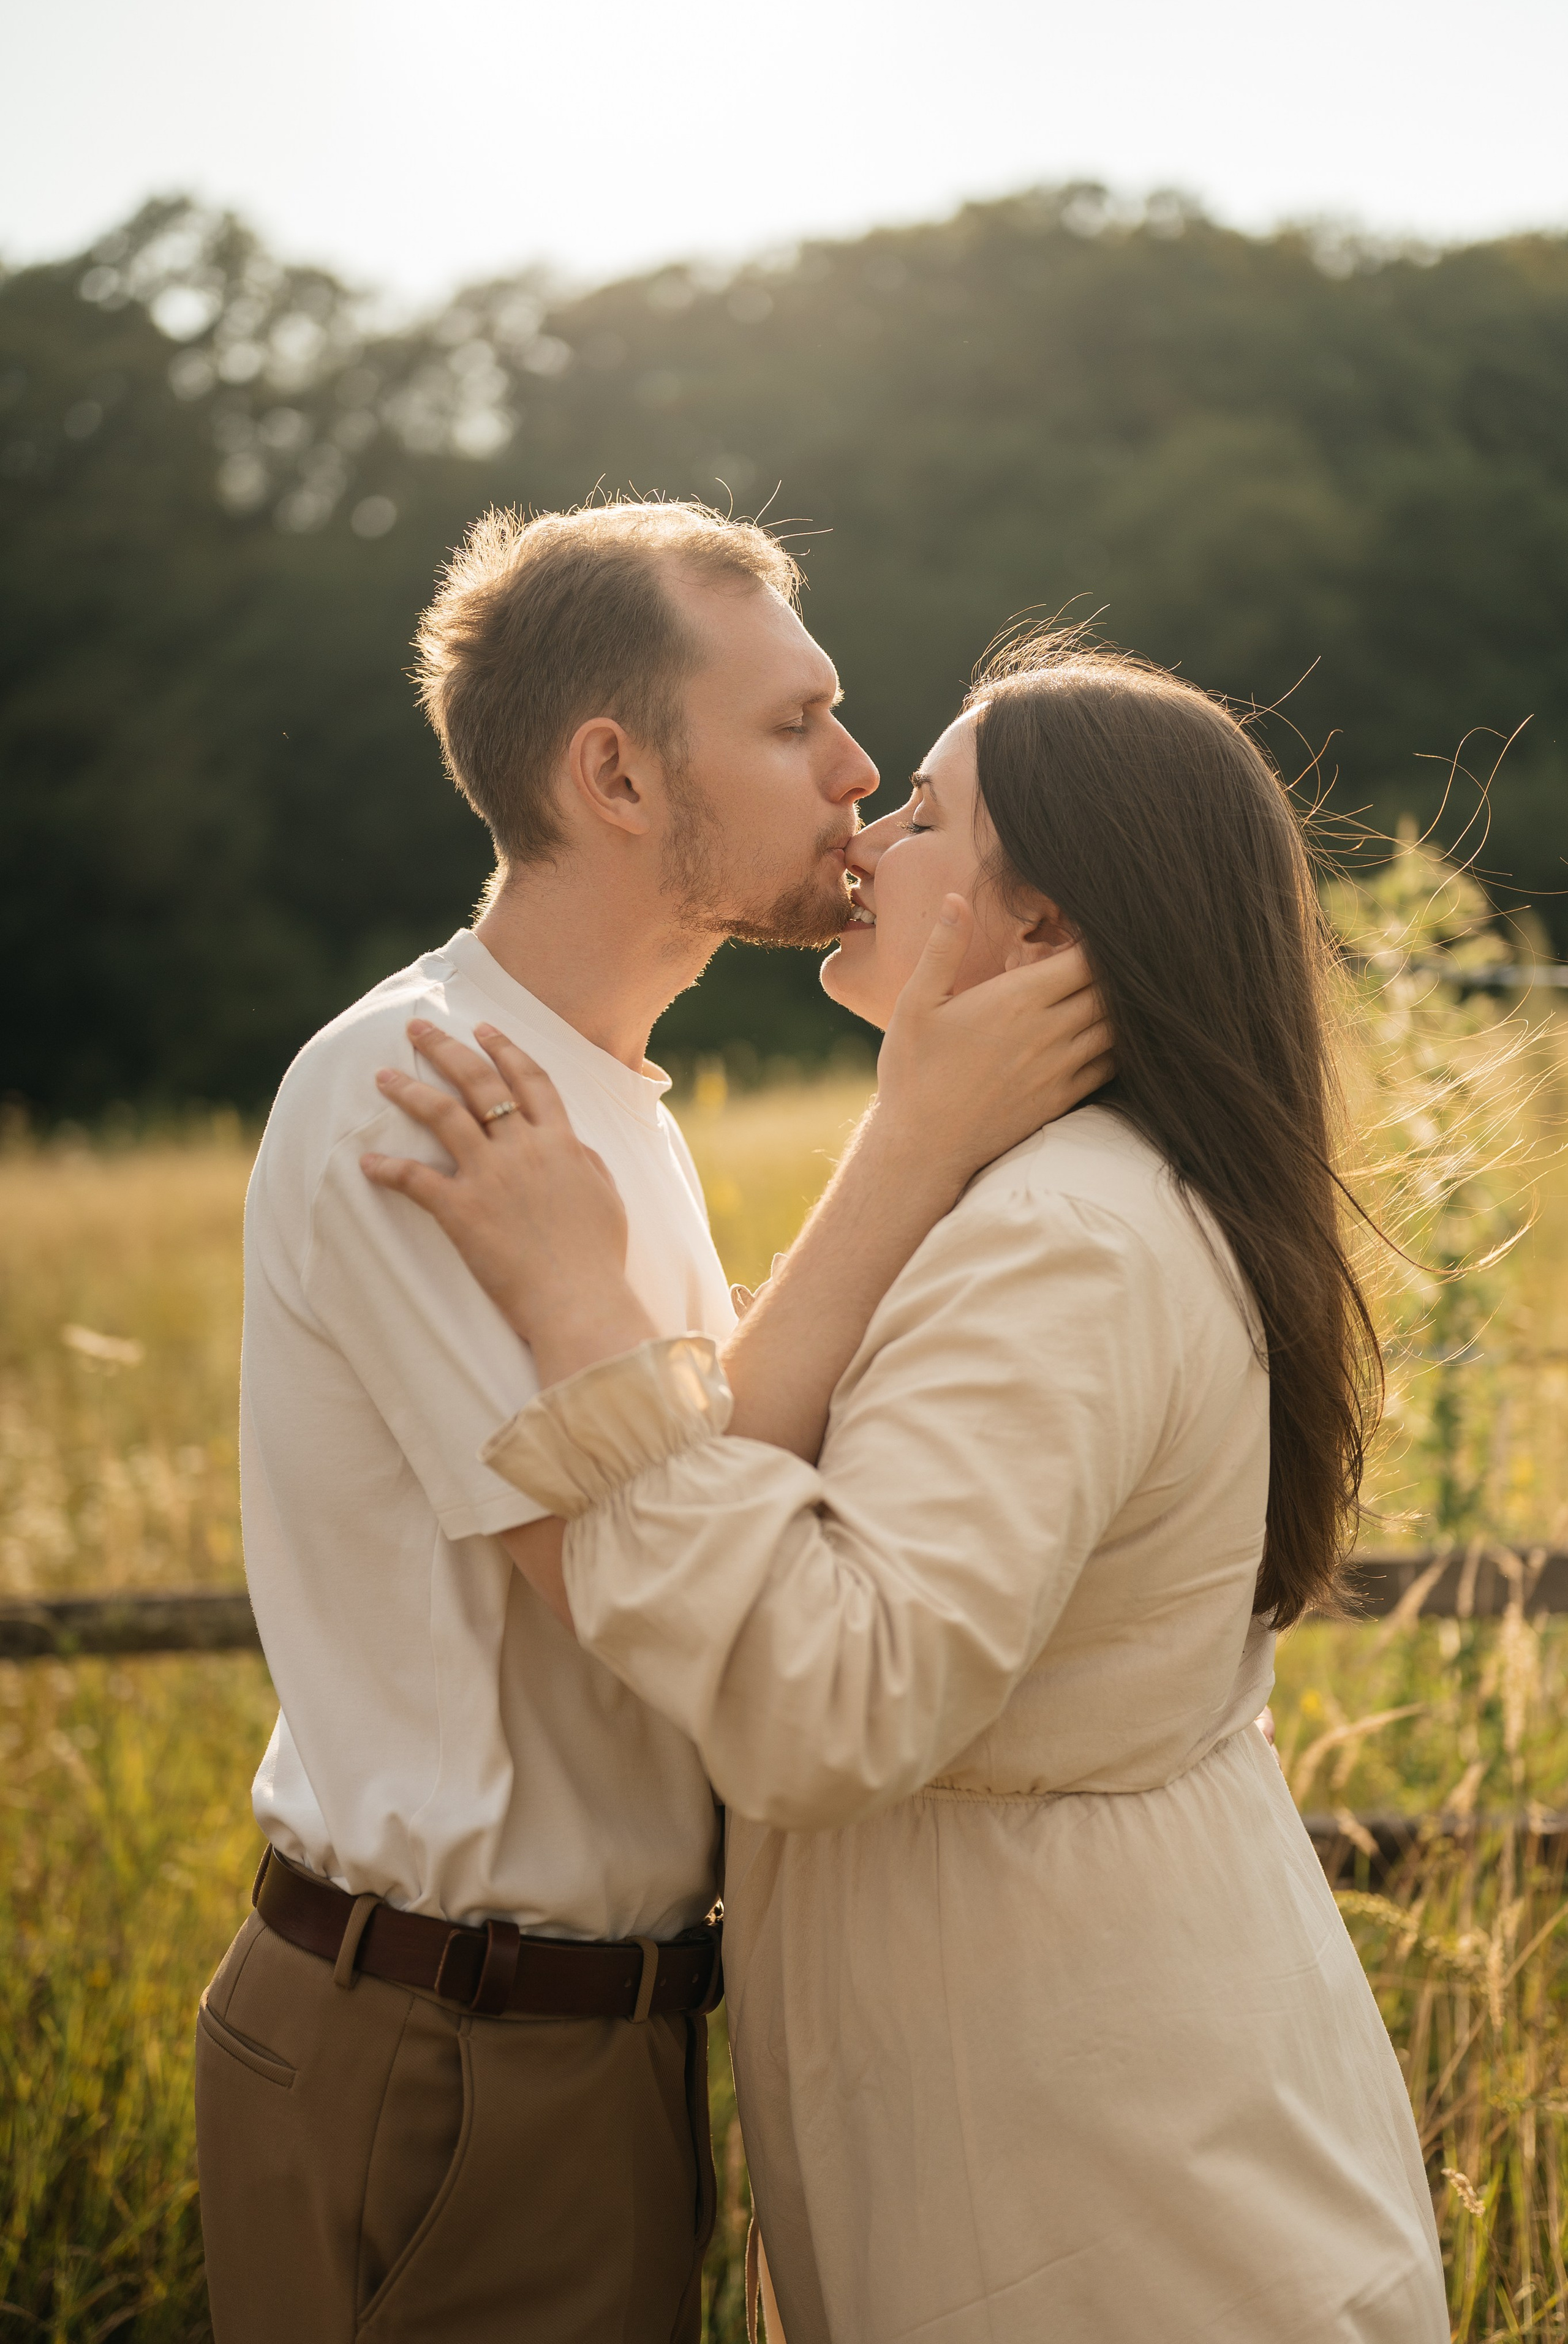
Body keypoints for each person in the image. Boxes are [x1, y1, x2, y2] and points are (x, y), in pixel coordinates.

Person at [363, 637, 1452, 2343]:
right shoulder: (1063, 1198)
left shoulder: (1066, 1238)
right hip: (1084, 2090)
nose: (867, 838)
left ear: (1042, 930)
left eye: (928, 815)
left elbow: (841, 1697)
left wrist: (588, 1325)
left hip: (1107, 2184)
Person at [194, 499, 1110, 2344]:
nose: (857, 774)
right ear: (614, 774)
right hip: (444, 2045)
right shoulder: (429, 1093)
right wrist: (916, 1137)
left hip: (574, 2030)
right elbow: (640, 1578)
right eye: (792, 724)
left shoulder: (601, 1098)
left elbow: (689, 1481)